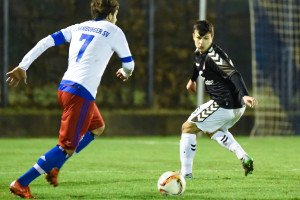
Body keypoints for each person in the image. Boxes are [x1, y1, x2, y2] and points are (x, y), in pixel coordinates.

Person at [7, 0, 134, 198]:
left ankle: (55, 166)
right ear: (111, 14)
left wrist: (24, 65)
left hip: (66, 87)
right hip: (80, 94)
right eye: (116, 15)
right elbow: (129, 64)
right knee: (66, 147)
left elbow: (46, 41)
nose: (116, 19)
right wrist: (125, 73)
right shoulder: (114, 30)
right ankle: (21, 183)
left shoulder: (79, 27)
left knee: (97, 127)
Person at [180, 20, 257, 179]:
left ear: (212, 37)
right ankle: (244, 157)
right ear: (193, 36)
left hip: (224, 104)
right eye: (198, 38)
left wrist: (245, 94)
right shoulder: (198, 53)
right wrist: (192, 79)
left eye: (206, 38)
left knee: (187, 128)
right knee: (211, 130)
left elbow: (233, 74)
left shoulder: (215, 56)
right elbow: (197, 65)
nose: (201, 42)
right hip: (235, 107)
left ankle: (185, 174)